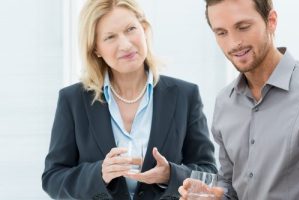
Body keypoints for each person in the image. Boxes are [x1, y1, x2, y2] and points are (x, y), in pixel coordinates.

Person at [179, 0, 299, 199]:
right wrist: (214, 196)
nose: (233, 42)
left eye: (243, 27)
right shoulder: (224, 103)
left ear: (271, 21)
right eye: (221, 33)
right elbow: (229, 186)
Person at [41, 0, 217, 199]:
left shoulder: (185, 95)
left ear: (144, 29)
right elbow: (53, 178)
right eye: (110, 37)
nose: (125, 44)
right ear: (96, 49)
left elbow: (208, 173)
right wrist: (100, 173)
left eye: (131, 29)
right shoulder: (72, 100)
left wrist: (171, 174)